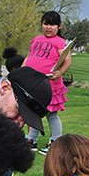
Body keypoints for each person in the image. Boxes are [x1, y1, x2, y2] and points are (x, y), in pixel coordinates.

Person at [24, 11, 72, 154]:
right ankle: (31, 140)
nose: (48, 27)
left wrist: (60, 72)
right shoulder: (36, 40)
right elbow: (29, 57)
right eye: (46, 24)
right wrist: (21, 72)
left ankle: (56, 142)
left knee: (52, 114)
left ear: (59, 26)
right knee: (34, 113)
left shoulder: (60, 42)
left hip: (50, 85)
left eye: (52, 24)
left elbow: (67, 60)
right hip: (33, 83)